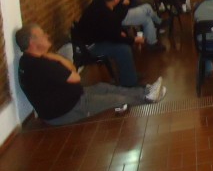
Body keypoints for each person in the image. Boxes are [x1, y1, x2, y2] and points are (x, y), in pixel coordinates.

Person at [17, 23, 166, 126]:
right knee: (116, 99)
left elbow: (72, 70)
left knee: (104, 87)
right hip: (67, 110)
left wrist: (54, 57)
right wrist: (55, 58)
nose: (47, 35)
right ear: (32, 42)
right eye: (42, 34)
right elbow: (75, 77)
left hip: (73, 98)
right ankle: (147, 99)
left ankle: (146, 90)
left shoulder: (32, 60)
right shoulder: (38, 65)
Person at [77, 0, 141, 87]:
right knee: (123, 49)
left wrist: (121, 34)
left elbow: (110, 31)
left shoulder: (98, 5)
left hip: (92, 40)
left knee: (124, 45)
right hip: (90, 47)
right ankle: (129, 84)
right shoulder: (105, 13)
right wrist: (134, 40)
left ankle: (129, 75)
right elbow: (114, 37)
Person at [93, 0, 165, 51]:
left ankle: (152, 42)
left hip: (123, 13)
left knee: (147, 19)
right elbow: (126, 1)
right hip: (121, 17)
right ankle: (159, 23)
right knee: (147, 8)